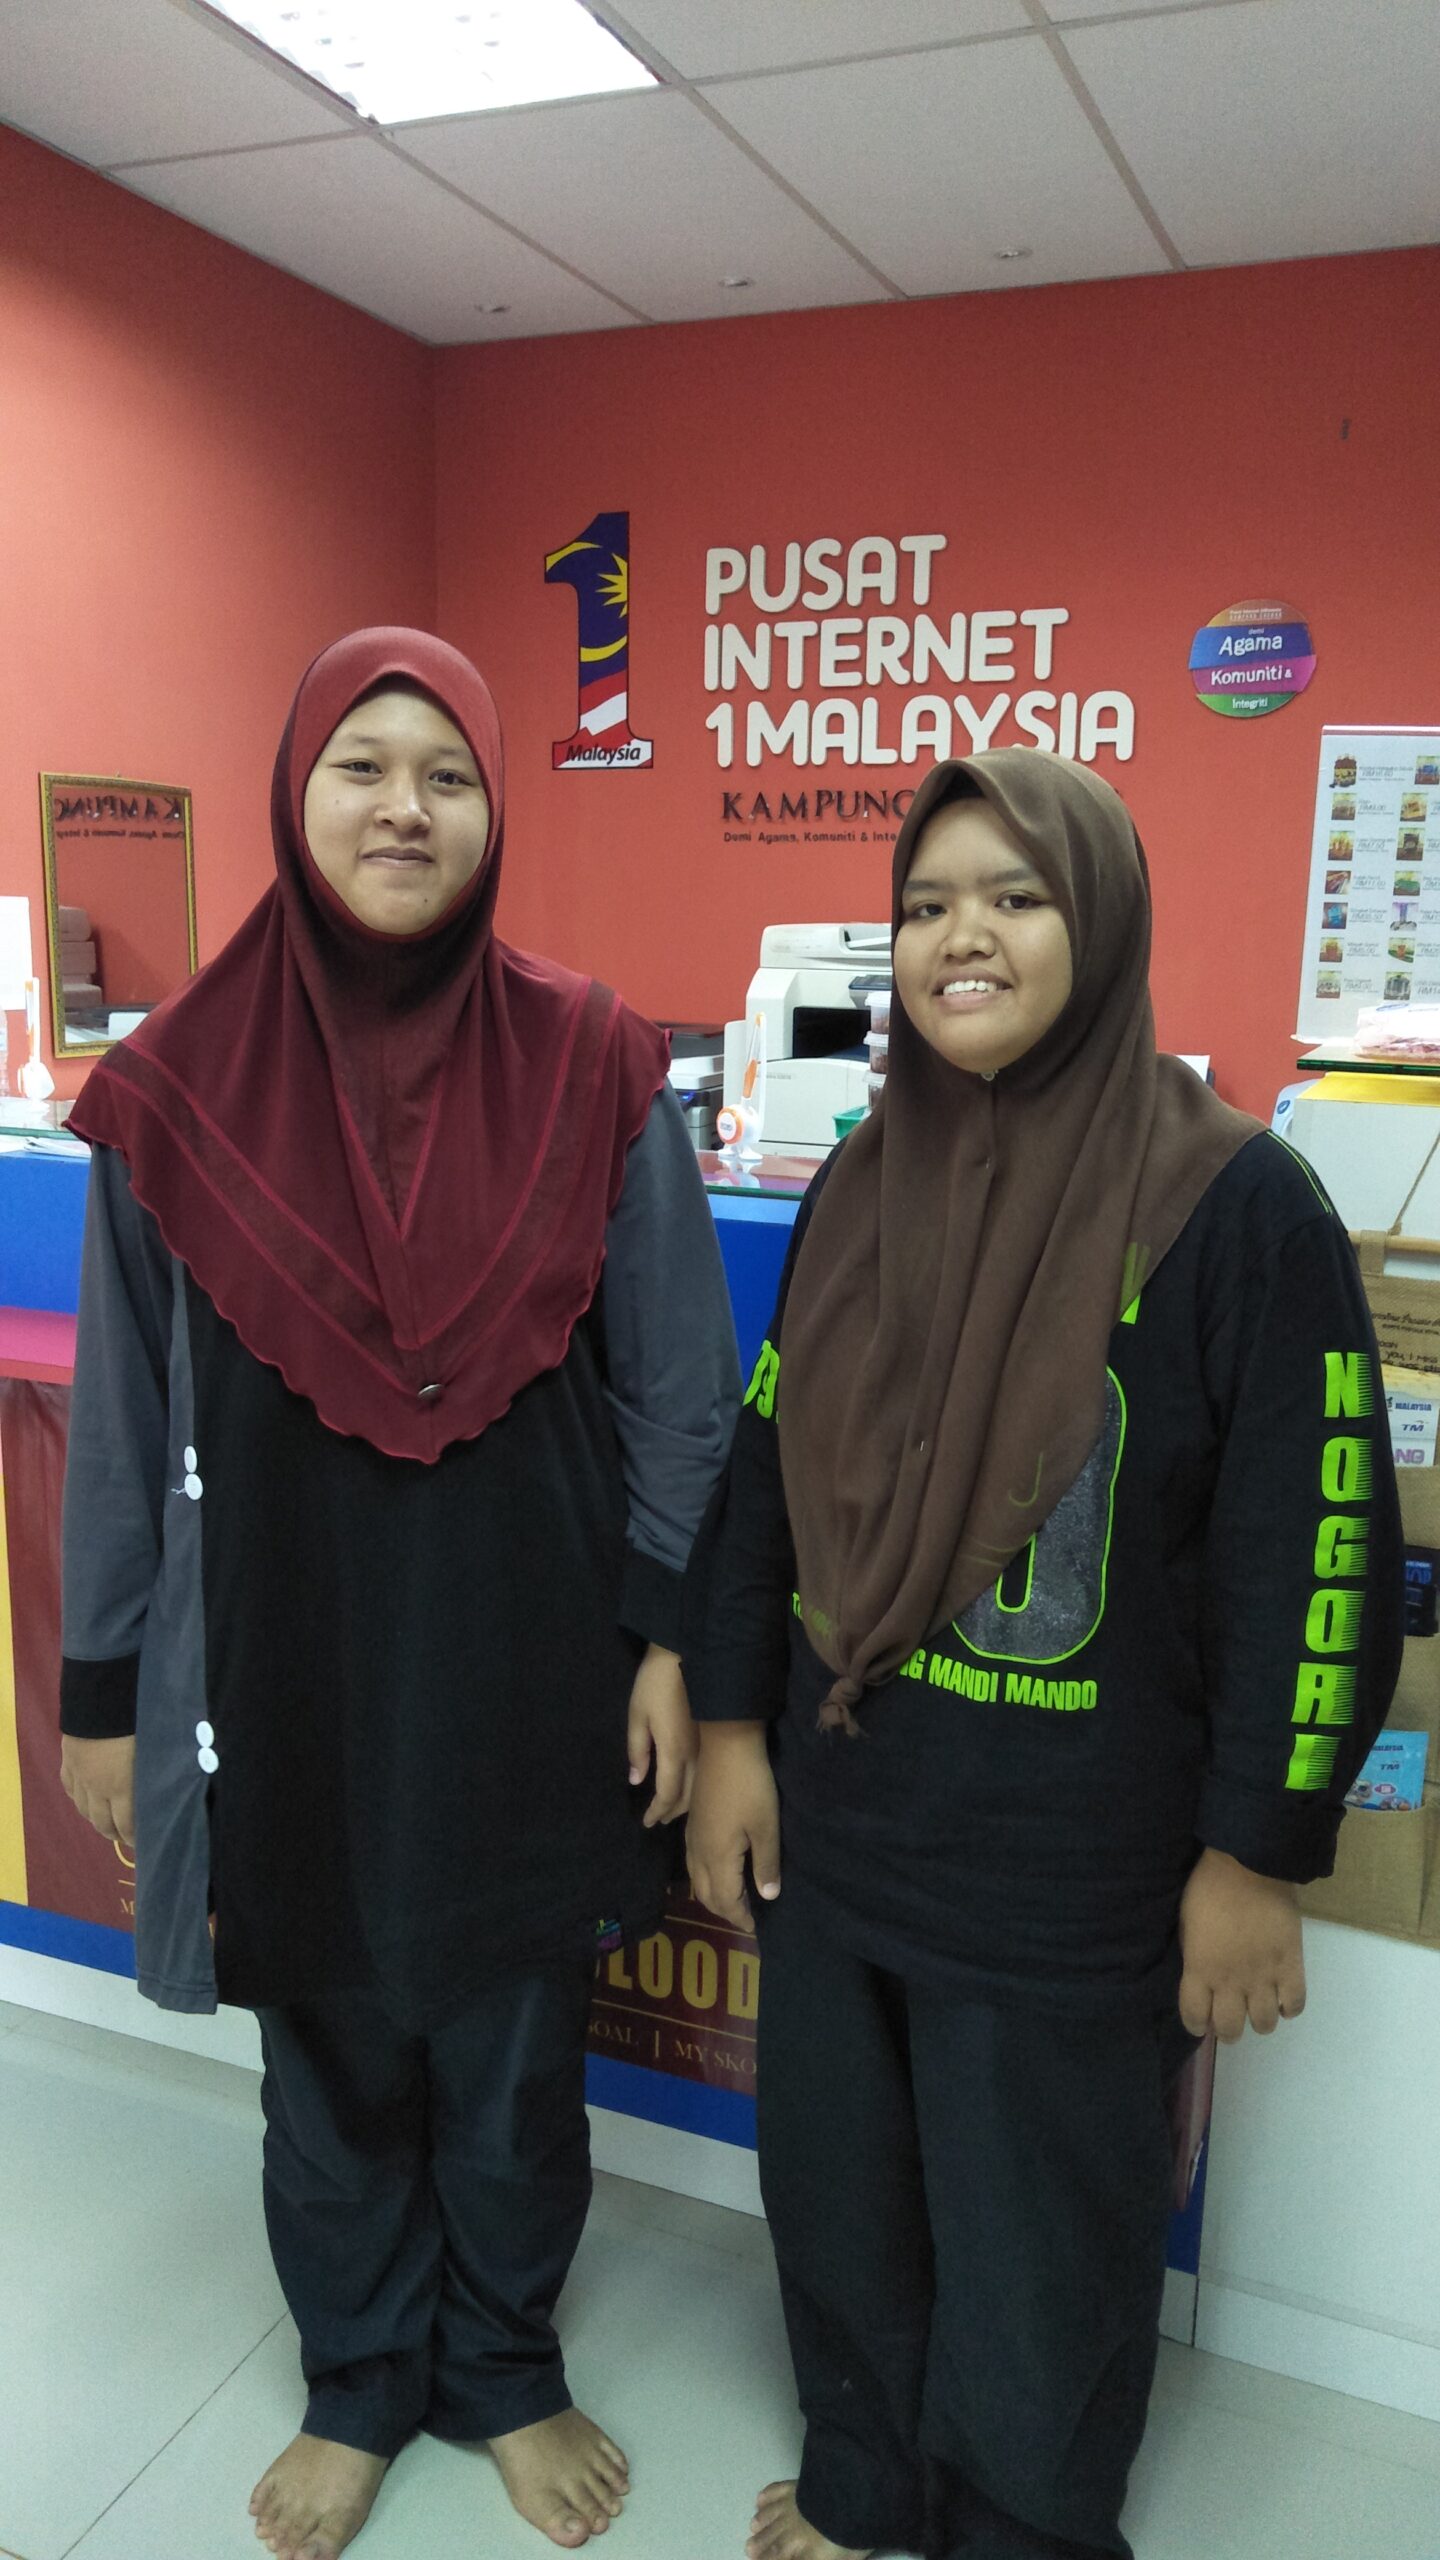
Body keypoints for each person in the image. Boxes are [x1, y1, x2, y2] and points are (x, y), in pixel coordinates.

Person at [57, 629, 740, 2560]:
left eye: (448, 774)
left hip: (531, 1650)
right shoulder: (176, 1089)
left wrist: (670, 1638)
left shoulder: (598, 1063)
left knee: (516, 2038)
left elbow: (679, 1391)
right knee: (331, 2034)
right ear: (296, 798)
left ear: (496, 813)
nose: (404, 809)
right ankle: (359, 2376)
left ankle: (504, 2365)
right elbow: (122, 1420)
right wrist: (102, 1690)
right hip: (284, 1660)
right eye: (361, 766)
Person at [684, 752, 1402, 2560]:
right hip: (852, 1826)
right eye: (927, 905)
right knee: (841, 2195)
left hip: (1075, 1867)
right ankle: (864, 2483)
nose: (963, 937)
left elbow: (1317, 1558)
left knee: (1044, 2249)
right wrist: (735, 1727)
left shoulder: (1238, 1210)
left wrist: (1257, 1853)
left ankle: (1019, 2529)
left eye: (1016, 896)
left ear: (1104, 921)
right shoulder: (864, 1182)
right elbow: (770, 1470)